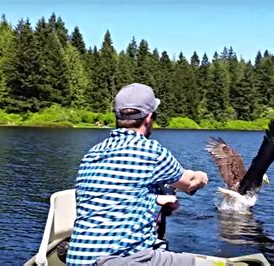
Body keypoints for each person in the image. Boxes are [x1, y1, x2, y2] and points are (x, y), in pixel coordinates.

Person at [66, 83, 209, 266]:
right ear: (149, 118)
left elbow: (117, 194)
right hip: (121, 261)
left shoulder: (92, 153)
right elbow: (188, 183)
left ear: (117, 116)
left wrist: (154, 199)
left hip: (77, 260)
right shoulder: (150, 151)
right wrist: (201, 176)